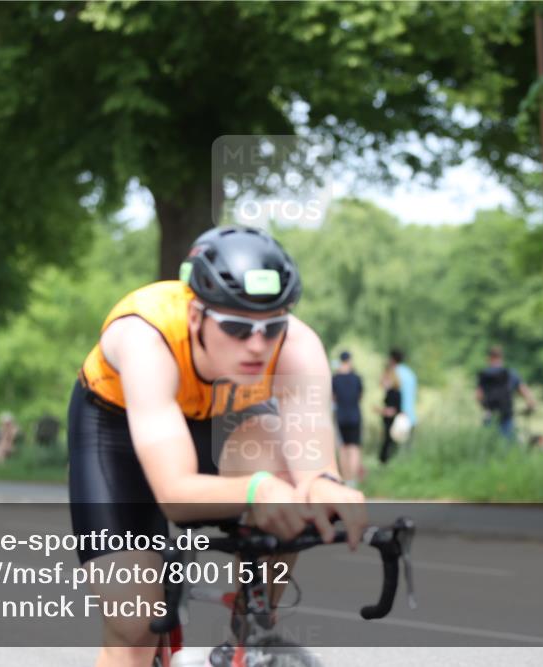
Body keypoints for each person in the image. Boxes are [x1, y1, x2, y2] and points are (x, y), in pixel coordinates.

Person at [69, 225, 365, 667]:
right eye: (236, 327)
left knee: (289, 480)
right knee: (135, 627)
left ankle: (249, 633)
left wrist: (326, 487)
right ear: (196, 317)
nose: (257, 346)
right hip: (118, 431)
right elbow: (175, 493)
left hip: (225, 419)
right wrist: (258, 490)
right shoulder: (146, 338)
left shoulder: (298, 346)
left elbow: (313, 467)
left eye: (272, 327)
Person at [476, 346, 536, 439]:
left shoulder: (484, 374)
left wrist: (485, 406)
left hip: (490, 416)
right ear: (501, 358)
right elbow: (526, 393)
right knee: (508, 445)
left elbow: (478, 396)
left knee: (488, 444)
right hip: (507, 416)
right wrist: (530, 406)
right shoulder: (510, 373)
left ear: (489, 359)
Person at [332, 350, 364, 487]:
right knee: (354, 447)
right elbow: (360, 396)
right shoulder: (356, 378)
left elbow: (333, 398)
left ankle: (345, 479)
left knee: (343, 448)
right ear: (350, 360)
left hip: (341, 416)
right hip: (355, 416)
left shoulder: (335, 379)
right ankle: (353, 481)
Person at [377, 365, 402, 464]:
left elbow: (394, 410)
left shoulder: (393, 392)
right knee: (388, 441)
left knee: (389, 441)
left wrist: (381, 410)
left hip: (392, 421)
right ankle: (385, 460)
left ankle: (385, 460)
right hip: (388, 420)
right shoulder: (391, 392)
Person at [390, 348, 417, 435]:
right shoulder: (410, 373)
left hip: (399, 417)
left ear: (392, 359)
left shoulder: (395, 373)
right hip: (411, 416)